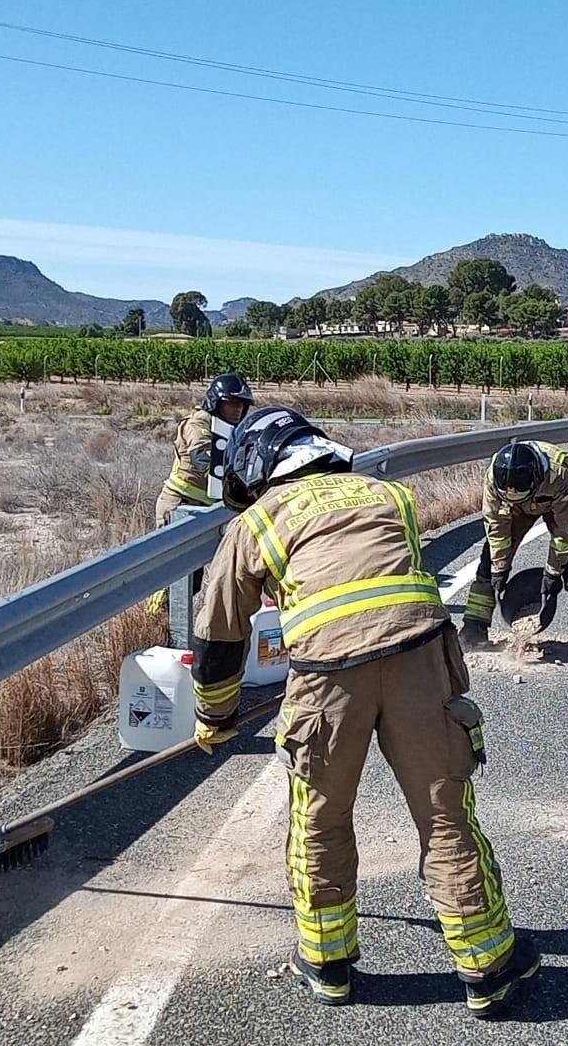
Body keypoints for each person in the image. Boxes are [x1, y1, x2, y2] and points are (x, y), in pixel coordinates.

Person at [190, 406, 539, 1016]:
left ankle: (327, 965)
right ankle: (487, 967)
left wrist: (214, 715)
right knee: (445, 814)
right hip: (421, 661)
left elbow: (219, 631)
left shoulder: (257, 523)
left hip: (327, 681)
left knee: (321, 817)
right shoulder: (389, 494)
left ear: (260, 467)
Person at [460, 441, 568, 667]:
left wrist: (552, 575)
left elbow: (566, 534)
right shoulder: (493, 479)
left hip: (557, 502)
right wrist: (499, 569)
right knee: (488, 565)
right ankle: (474, 627)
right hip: (513, 510)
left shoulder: (559, 476)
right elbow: (496, 527)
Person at [154, 372, 255, 524]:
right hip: (181, 504)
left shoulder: (231, 429)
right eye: (232, 403)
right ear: (217, 402)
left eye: (242, 404)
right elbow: (202, 457)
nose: (238, 409)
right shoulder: (198, 423)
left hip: (209, 506)